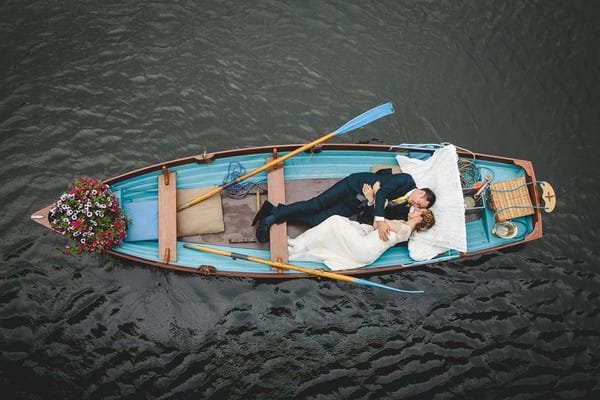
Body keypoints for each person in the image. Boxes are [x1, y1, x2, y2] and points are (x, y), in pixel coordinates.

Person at [253, 169, 436, 243]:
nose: (415, 205)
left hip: (357, 205)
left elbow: (373, 207)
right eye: (419, 202)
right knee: (314, 205)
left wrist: (372, 202)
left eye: (419, 207)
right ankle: (270, 218)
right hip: (352, 186)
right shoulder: (406, 180)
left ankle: (273, 209)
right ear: (420, 192)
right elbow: (383, 192)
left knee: (318, 221)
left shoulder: (403, 209)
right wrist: (379, 216)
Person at [287, 209, 435, 271]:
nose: (415, 210)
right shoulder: (402, 223)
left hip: (364, 249)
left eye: (419, 211)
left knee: (335, 221)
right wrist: (382, 222)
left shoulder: (406, 230)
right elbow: (377, 224)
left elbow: (383, 223)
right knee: (337, 225)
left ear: (420, 218)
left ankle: (297, 244)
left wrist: (383, 222)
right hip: (365, 243)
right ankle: (300, 244)